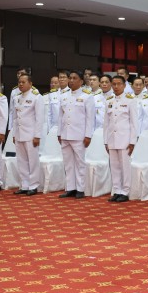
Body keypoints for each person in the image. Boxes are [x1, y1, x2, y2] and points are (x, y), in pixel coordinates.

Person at [58, 70, 95, 199]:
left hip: (79, 135)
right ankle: (70, 188)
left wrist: (88, 135)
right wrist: (59, 133)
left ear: (81, 81)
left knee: (80, 163)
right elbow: (60, 116)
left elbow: (90, 118)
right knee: (68, 163)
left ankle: (80, 188)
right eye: (70, 78)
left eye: (75, 78)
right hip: (65, 134)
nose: (71, 80)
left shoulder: (87, 96)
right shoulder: (63, 96)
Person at [9, 72, 45, 195]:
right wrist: (14, 134)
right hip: (19, 134)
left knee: (33, 161)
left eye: (23, 82)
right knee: (21, 160)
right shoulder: (16, 97)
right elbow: (15, 118)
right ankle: (24, 185)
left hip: (31, 134)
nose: (20, 84)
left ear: (30, 83)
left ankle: (33, 185)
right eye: (19, 82)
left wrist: (37, 136)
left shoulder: (36, 97)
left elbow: (39, 119)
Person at [105, 75, 139, 202]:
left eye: (119, 84)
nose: (116, 86)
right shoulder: (109, 100)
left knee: (125, 166)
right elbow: (106, 123)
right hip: (112, 138)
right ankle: (117, 190)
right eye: (114, 84)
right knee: (114, 166)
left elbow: (134, 123)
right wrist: (105, 141)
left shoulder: (130, 100)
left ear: (124, 85)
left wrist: (132, 142)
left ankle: (125, 191)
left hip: (125, 139)